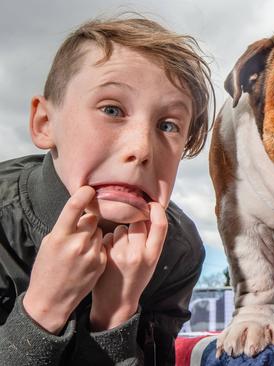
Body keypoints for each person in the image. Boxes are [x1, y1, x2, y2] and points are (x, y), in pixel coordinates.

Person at [0, 15, 213, 365]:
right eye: (112, 109)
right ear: (44, 123)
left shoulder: (179, 251)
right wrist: (42, 309)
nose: (142, 149)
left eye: (168, 125)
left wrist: (115, 318)